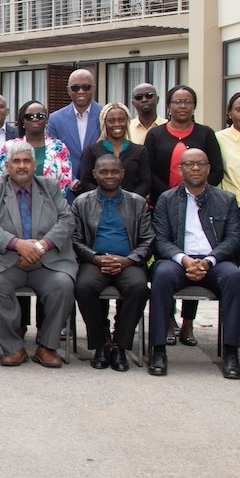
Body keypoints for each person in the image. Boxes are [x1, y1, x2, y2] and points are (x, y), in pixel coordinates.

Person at [0, 141, 75, 367]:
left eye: (27, 161)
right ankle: (14, 348)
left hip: (46, 260)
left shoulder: (50, 186)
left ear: (34, 165)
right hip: (5, 260)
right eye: (16, 161)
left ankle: (47, 347)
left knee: (63, 284)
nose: (22, 166)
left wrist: (41, 246)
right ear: (7, 166)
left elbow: (67, 220)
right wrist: (17, 244)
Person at [146, 148, 240, 377]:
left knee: (234, 277)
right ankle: (158, 350)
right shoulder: (167, 199)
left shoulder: (226, 199)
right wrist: (184, 259)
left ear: (209, 169)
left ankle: (231, 351)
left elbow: (234, 238)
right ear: (180, 170)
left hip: (215, 261)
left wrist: (209, 261)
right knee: (162, 275)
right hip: (179, 260)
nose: (196, 168)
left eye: (201, 164)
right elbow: (160, 239)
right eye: (189, 164)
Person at [143, 85, 224, 344]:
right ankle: (168, 321)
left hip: (200, 206)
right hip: (163, 207)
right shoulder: (156, 134)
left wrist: (196, 192)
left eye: (187, 101)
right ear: (168, 105)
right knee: (168, 264)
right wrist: (171, 196)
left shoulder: (205, 134)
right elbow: (148, 170)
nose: (182, 106)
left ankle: (188, 323)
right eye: (177, 101)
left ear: (194, 105)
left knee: (196, 257)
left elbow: (216, 169)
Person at [71, 154, 153, 372]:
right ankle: (100, 344)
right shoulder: (81, 202)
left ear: (122, 174)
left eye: (115, 171)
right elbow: (75, 239)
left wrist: (128, 260)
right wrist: (95, 257)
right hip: (94, 261)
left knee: (138, 287)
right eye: (104, 172)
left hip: (129, 262)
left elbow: (148, 240)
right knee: (84, 287)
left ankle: (120, 346)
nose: (110, 176)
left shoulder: (137, 203)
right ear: (95, 174)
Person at [73, 102, 150, 200]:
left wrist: (130, 200)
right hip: (99, 204)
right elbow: (86, 181)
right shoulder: (92, 150)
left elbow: (145, 182)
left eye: (121, 120)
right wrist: (106, 198)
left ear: (127, 122)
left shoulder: (140, 151)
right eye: (111, 121)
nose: (117, 124)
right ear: (104, 123)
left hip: (132, 206)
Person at [0, 101, 73, 202]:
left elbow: (66, 181)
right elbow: (1, 178)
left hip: (51, 204)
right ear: (23, 121)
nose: (35, 119)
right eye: (30, 117)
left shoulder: (59, 148)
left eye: (40, 116)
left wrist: (50, 203)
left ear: (46, 120)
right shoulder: (9, 147)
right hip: (16, 204)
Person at [47, 68, 103, 178]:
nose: (81, 91)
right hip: (67, 184)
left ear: (94, 88)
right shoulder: (55, 119)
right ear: (68, 90)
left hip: (98, 183)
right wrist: (73, 182)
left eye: (86, 87)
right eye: (75, 88)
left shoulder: (105, 116)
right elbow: (54, 154)